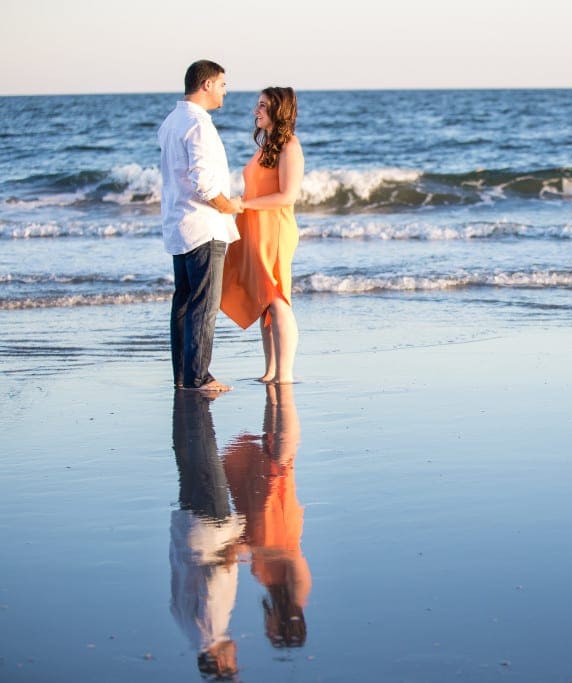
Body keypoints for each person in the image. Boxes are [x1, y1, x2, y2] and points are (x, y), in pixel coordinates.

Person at [159, 59, 242, 395]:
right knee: (204, 304)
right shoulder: (198, 124)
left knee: (184, 302)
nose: (225, 91)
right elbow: (203, 181)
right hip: (203, 225)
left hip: (179, 224)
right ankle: (199, 377)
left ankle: (183, 375)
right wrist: (229, 205)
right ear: (206, 84)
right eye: (222, 84)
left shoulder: (171, 121)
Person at [221, 87, 304, 384]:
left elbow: (287, 196)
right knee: (263, 300)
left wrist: (244, 204)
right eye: (257, 105)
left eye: (263, 106)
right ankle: (270, 370)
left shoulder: (290, 146)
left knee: (276, 296)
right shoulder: (266, 146)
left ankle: (285, 374)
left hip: (276, 229)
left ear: (278, 110)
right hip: (255, 226)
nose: (256, 111)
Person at [224, 383, 311, 648]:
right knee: (278, 461)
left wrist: (243, 550)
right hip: (279, 524)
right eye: (270, 630)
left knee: (267, 455)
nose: (266, 625)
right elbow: (291, 556)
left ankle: (276, 396)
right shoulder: (298, 593)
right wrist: (253, 549)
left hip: (259, 524)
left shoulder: (272, 590)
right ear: (284, 625)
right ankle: (280, 395)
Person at [169, 391, 245, 679]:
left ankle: (194, 396)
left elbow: (214, 583)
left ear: (222, 664)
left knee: (205, 450)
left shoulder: (211, 630)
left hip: (210, 531)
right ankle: (188, 399)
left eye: (235, 663)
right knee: (190, 460)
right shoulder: (186, 628)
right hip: (188, 530)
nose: (236, 654)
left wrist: (234, 553)